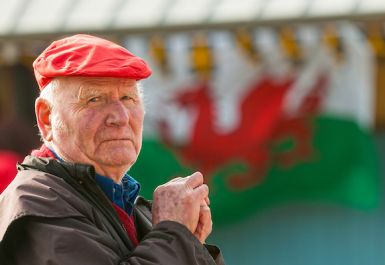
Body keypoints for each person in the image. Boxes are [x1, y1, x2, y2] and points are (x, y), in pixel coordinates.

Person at [0, 34, 224, 264]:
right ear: (47, 118)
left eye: (128, 98)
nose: (121, 117)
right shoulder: (37, 201)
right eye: (94, 99)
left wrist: (189, 243)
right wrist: (175, 232)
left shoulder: (122, 203)